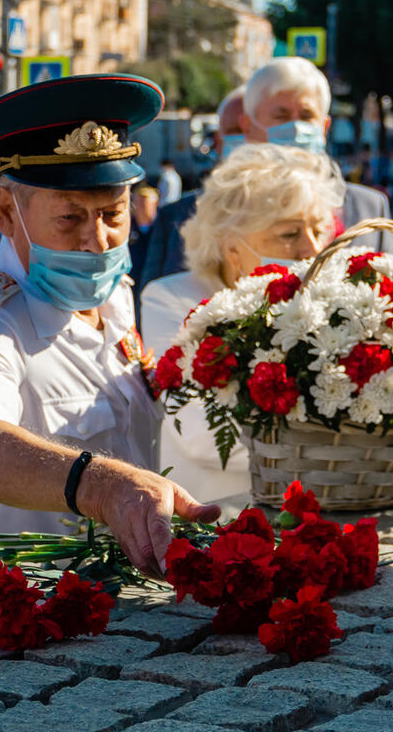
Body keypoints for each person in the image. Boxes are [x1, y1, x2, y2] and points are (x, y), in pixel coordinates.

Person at [0, 74, 220, 575]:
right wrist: (100, 486)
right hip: (7, 613)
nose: (97, 239)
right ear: (6, 213)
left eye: (112, 213)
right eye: (69, 218)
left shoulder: (115, 295)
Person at [141, 144, 342, 502]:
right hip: (219, 523)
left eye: (317, 229)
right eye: (289, 234)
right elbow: (203, 435)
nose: (311, 249)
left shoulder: (326, 297)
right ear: (231, 246)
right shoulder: (170, 300)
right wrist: (339, 439)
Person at [239, 58, 393, 254]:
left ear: (325, 128)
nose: (296, 128)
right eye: (281, 116)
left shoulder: (368, 209)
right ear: (248, 126)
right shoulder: (207, 210)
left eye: (307, 116)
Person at [139, 87, 246, 287]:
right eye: (235, 132)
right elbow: (148, 298)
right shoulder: (174, 217)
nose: (245, 140)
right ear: (217, 140)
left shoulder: (306, 224)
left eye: (252, 130)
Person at [127, 183, 159, 296]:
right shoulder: (128, 227)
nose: (140, 207)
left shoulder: (162, 228)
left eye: (145, 203)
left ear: (155, 204)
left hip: (154, 281)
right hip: (133, 279)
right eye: (138, 203)